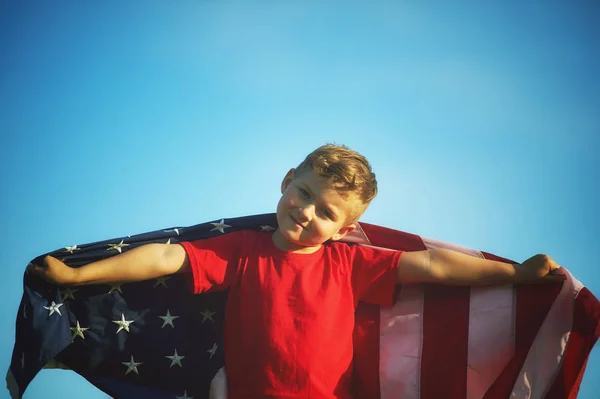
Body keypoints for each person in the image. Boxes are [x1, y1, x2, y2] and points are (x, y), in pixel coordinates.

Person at [28, 144, 561, 399]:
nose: (307, 212)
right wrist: (81, 277)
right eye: (304, 194)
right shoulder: (242, 250)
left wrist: (514, 276)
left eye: (326, 211)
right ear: (287, 181)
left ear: (345, 227)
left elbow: (435, 267)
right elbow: (169, 255)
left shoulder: (350, 264)